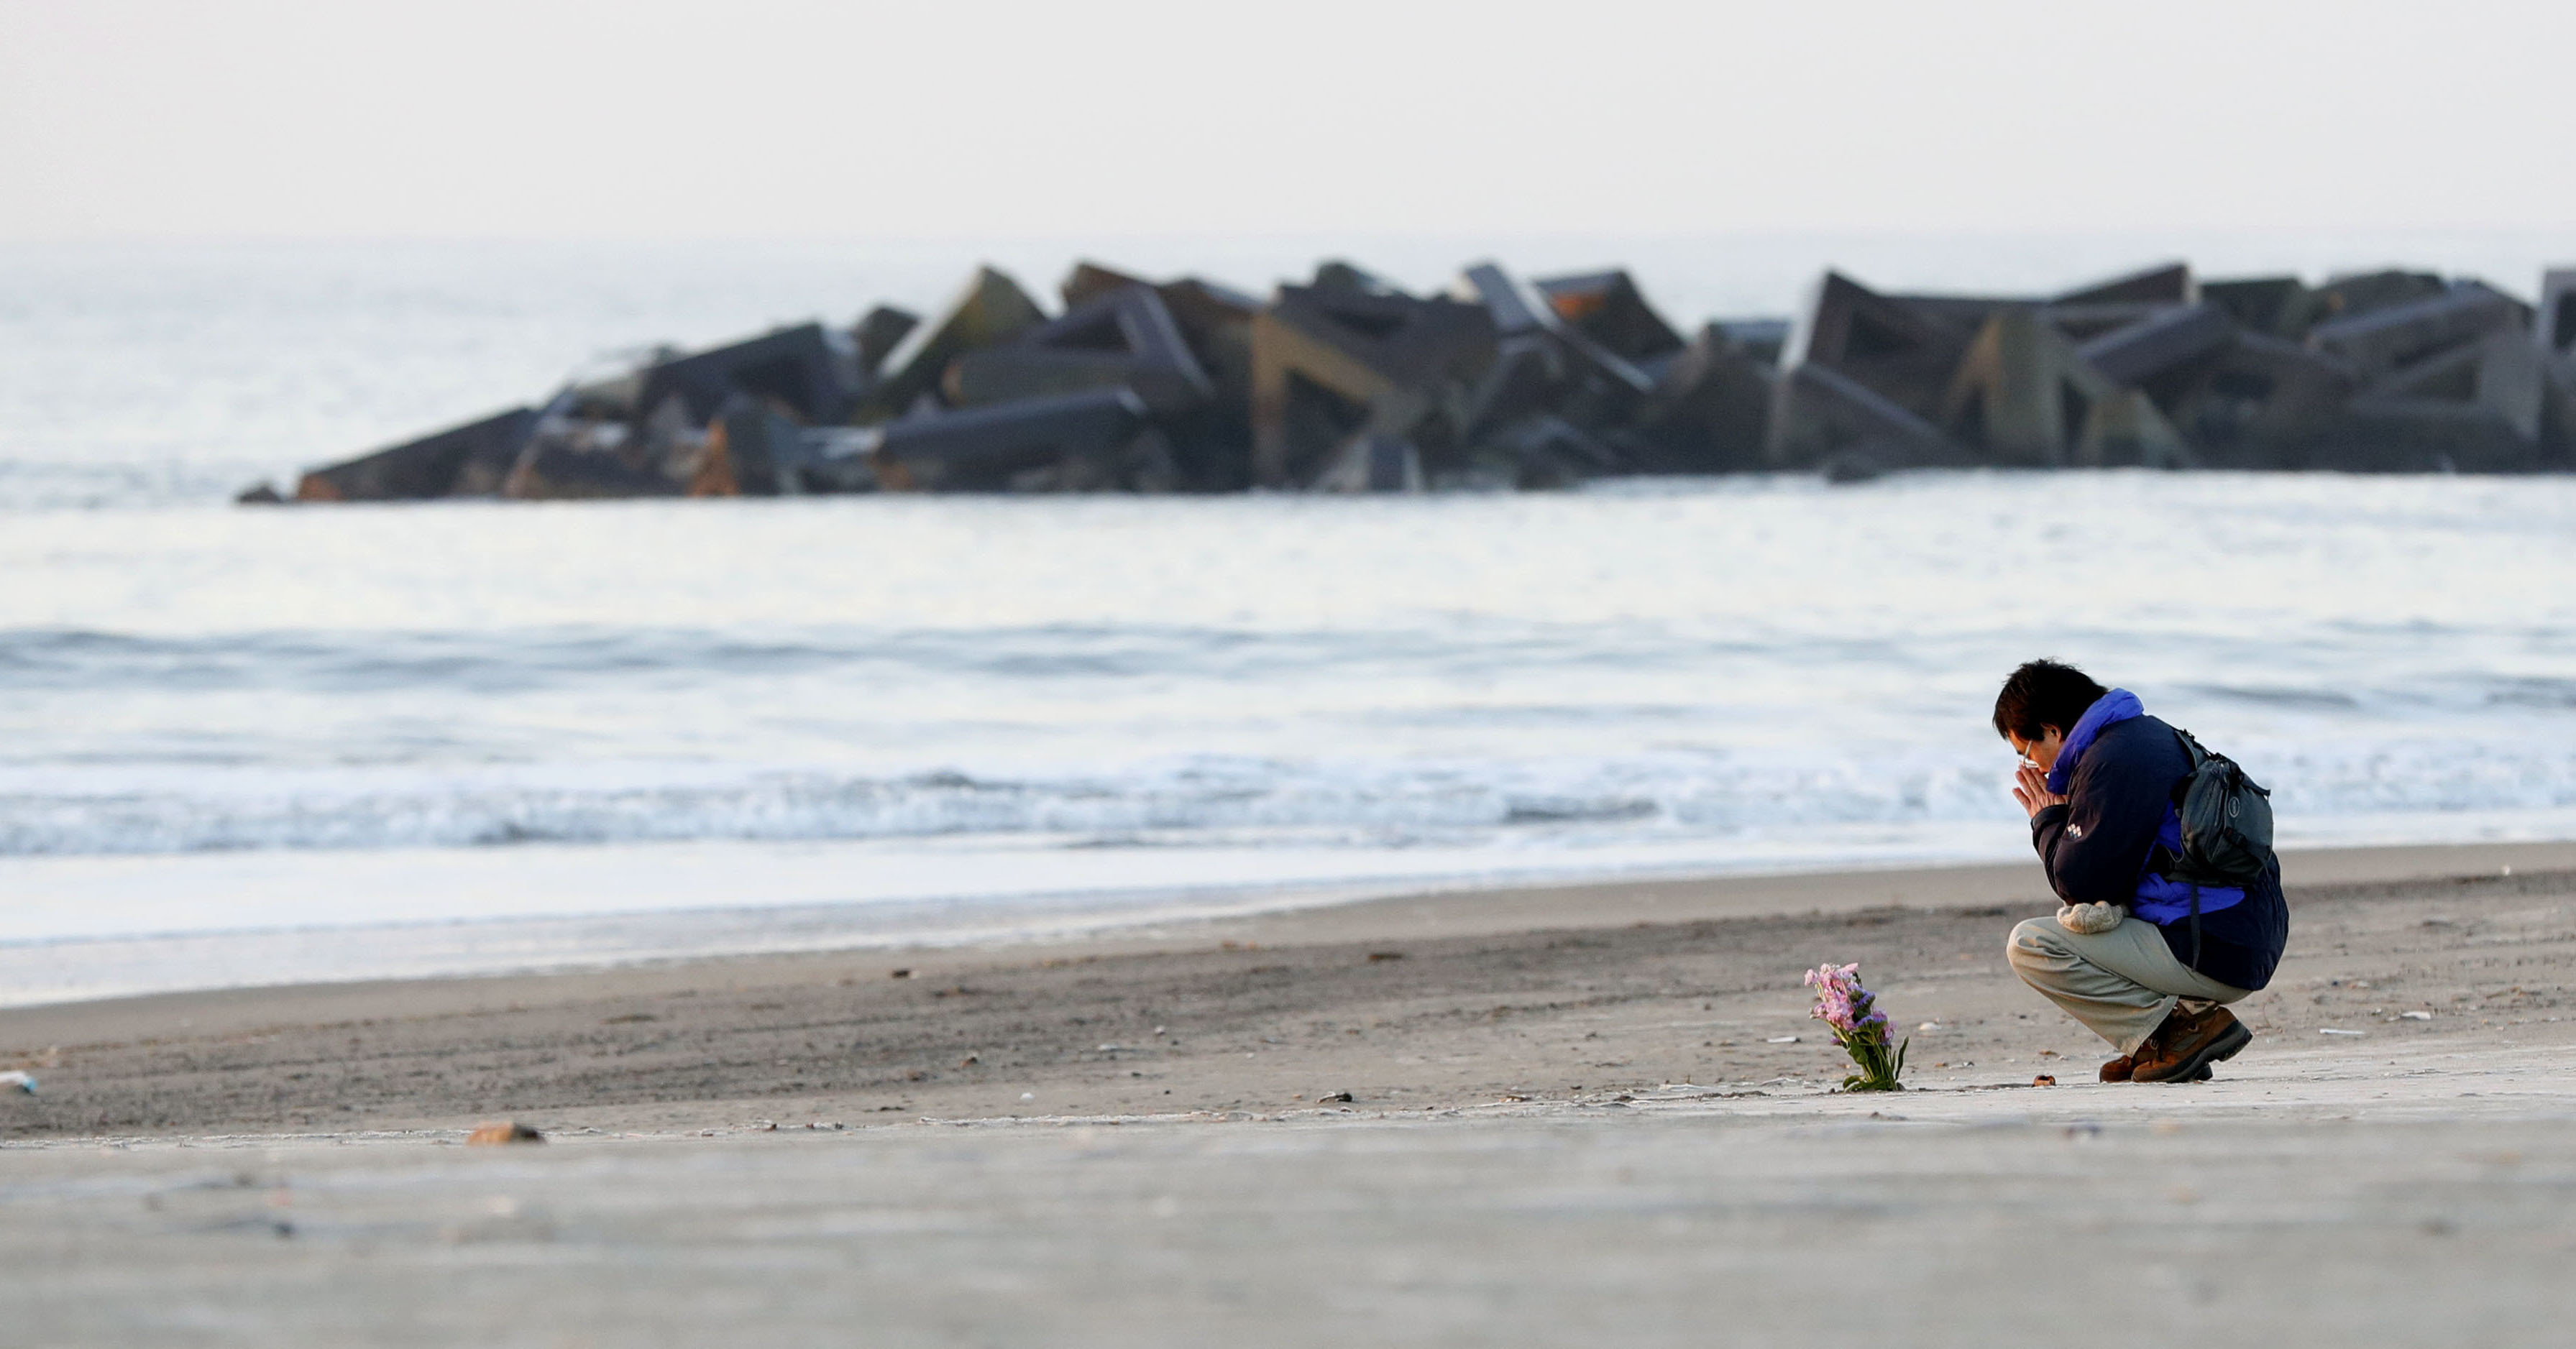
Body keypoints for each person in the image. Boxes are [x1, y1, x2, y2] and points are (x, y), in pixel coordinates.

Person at [1994, 660, 2288, 1083]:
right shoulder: (2148, 735)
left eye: (2026, 751)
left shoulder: (2112, 760)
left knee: (2033, 945)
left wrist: (2048, 819)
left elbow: (2077, 884)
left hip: (2212, 950)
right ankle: (2165, 1039)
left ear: (2054, 730)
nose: (2032, 766)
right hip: (2243, 939)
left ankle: (2181, 1033)